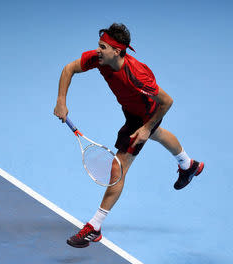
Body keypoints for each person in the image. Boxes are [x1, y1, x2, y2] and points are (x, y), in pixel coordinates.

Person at [54, 23, 204, 248]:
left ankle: (94, 227)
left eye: (103, 47)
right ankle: (188, 165)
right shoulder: (98, 59)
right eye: (98, 46)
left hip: (146, 115)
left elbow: (166, 101)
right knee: (159, 135)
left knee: (118, 168)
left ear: (117, 51)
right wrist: (61, 101)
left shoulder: (137, 75)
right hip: (130, 110)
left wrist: (145, 128)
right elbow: (69, 69)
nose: (98, 51)